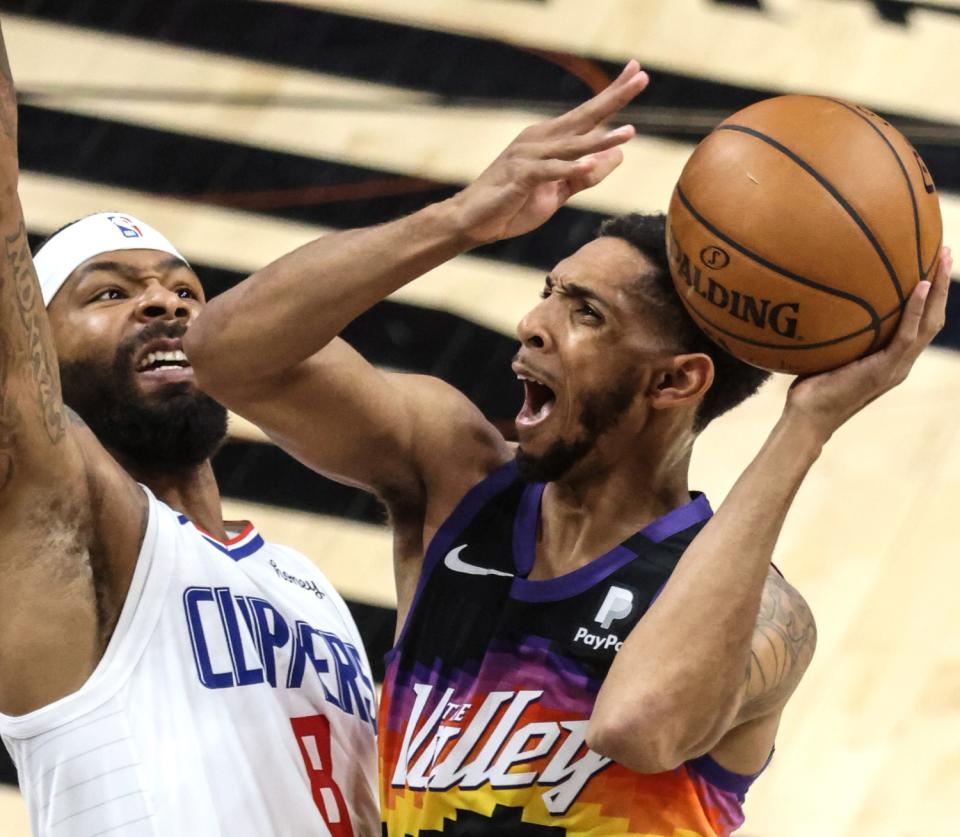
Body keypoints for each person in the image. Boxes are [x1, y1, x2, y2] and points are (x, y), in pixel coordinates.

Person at [186, 62, 950, 836]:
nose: (532, 321)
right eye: (549, 289)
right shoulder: (455, 479)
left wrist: (806, 426)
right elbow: (223, 354)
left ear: (677, 381)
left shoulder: (761, 616)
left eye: (585, 312)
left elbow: (638, 724)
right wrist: (458, 219)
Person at [0, 22, 378, 837]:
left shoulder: (309, 588)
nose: (166, 303)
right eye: (107, 293)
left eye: (186, 290)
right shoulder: (61, 534)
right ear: (40, 354)